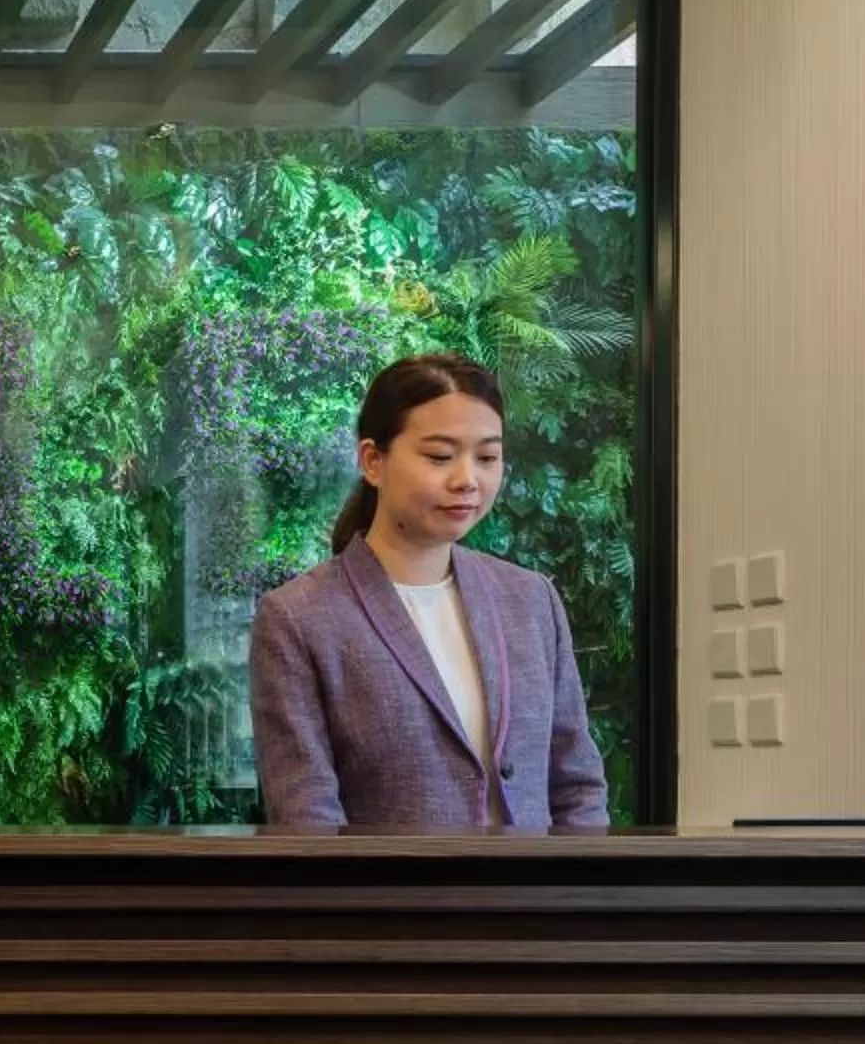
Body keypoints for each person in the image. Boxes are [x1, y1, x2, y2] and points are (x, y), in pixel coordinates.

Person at [248, 352, 608, 830]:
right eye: (439, 456)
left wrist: (578, 899)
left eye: (487, 457)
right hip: (394, 902)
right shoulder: (298, 617)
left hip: (537, 901)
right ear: (373, 461)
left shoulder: (530, 599)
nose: (467, 480)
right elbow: (307, 818)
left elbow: (577, 785)